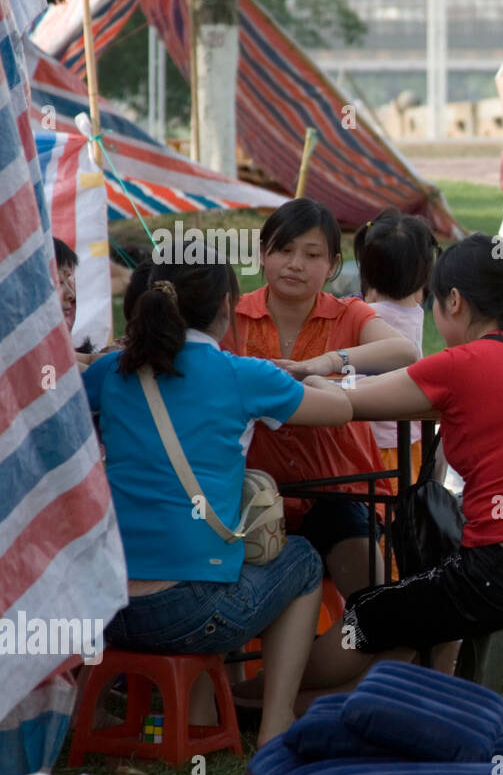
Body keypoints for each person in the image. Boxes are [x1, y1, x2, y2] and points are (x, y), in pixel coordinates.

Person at [294, 234, 503, 694]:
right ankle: (344, 698)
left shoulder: (465, 363)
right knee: (412, 610)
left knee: (370, 613)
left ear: (454, 301)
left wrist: (296, 373)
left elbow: (346, 401)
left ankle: (262, 698)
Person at [81, 250, 354, 746]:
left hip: (106, 609)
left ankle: (104, 712)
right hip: (192, 612)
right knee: (302, 560)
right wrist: (314, 374)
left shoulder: (111, 373)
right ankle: (274, 724)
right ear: (227, 307)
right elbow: (338, 410)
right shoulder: (242, 374)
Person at [220, 198, 421, 598]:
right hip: (251, 498)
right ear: (262, 255)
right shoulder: (232, 315)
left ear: (332, 266)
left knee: (370, 604)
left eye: (312, 255)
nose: (295, 263)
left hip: (344, 493)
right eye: (283, 250)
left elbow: (405, 352)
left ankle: (375, 642)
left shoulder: (349, 313)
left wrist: (323, 363)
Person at [354, 207, 435, 482]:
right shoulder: (415, 311)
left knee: (377, 513)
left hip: (371, 442)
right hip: (408, 439)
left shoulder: (361, 315)